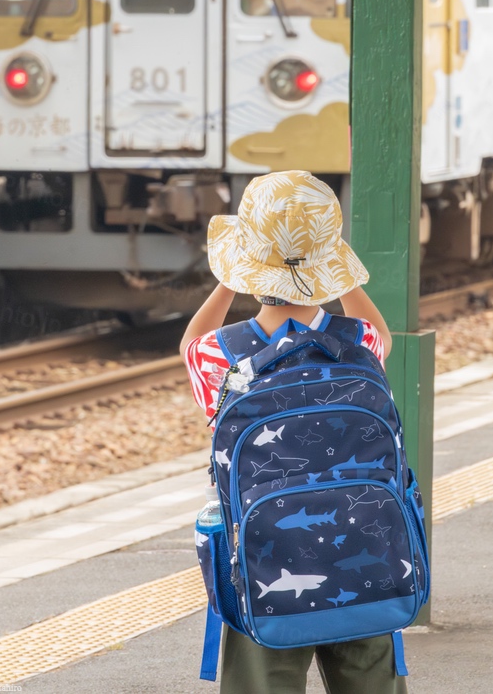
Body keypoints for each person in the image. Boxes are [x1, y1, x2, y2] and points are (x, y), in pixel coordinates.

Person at [181, 170, 407, 694]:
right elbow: (382, 331)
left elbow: (189, 342)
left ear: (244, 263)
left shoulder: (219, 355)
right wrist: (334, 268)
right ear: (332, 262)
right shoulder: (363, 342)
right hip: (367, 567)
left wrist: (228, 275)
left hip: (264, 572)